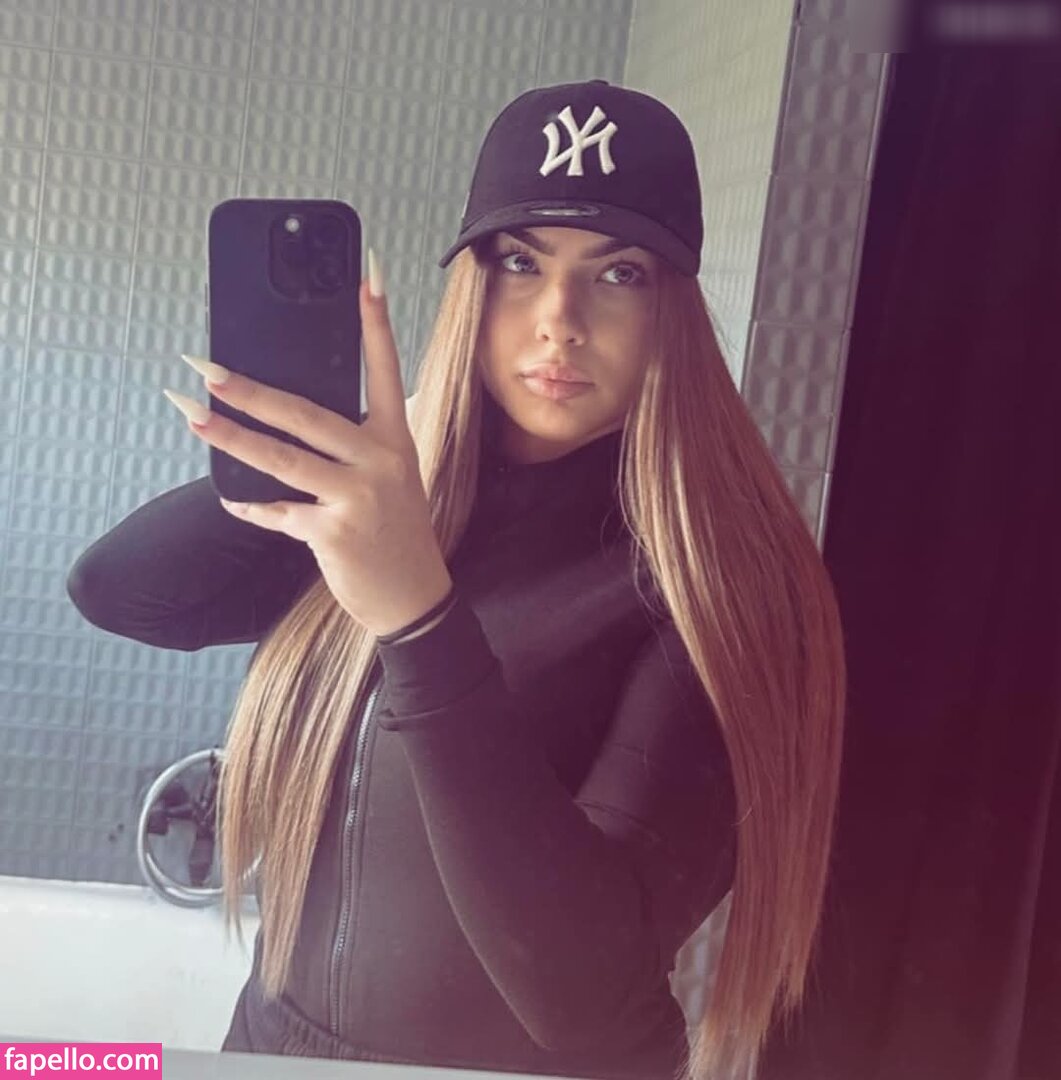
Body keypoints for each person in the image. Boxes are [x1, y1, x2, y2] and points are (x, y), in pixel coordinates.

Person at [66, 80, 846, 1080]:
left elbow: (580, 992)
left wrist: (417, 620)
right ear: (471, 289)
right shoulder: (397, 514)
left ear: (673, 314)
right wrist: (339, 445)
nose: (558, 320)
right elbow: (121, 590)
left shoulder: (721, 587)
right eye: (520, 263)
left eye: (618, 273)